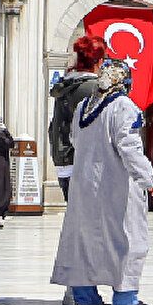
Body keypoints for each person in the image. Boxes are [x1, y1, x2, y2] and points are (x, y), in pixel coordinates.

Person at [51, 59, 153, 305]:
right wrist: (148, 178)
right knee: (127, 236)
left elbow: (74, 139)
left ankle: (86, 298)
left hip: (85, 184)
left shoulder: (83, 107)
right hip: (115, 184)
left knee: (85, 238)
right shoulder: (124, 107)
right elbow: (129, 147)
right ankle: (125, 298)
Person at [49, 35, 107, 201]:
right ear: (100, 60)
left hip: (64, 159)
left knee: (77, 214)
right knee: (92, 219)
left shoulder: (66, 85)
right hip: (86, 162)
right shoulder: (93, 88)